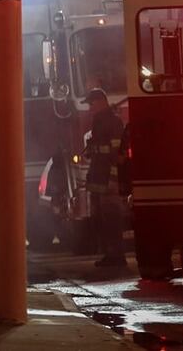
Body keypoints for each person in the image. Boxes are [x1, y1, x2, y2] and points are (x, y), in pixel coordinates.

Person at [83, 87, 127, 268]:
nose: (89, 108)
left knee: (112, 219)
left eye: (91, 104)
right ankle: (110, 254)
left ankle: (116, 256)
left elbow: (116, 152)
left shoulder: (113, 122)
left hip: (109, 178)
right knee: (103, 219)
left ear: (101, 102)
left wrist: (112, 178)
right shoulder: (100, 121)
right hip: (100, 177)